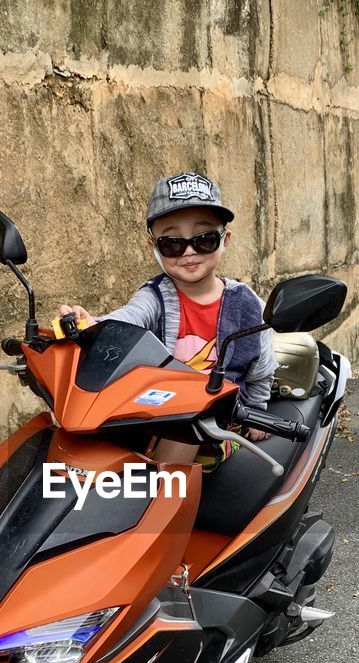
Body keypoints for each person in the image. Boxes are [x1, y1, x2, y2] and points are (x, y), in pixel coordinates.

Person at [59, 173, 276, 459]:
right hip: (156, 412)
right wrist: (91, 325)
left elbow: (262, 365)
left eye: (204, 239)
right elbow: (129, 317)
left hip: (218, 420)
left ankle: (163, 497)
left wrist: (257, 410)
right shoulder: (154, 296)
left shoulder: (246, 303)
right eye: (172, 243)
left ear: (225, 240)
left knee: (184, 439)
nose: (188, 252)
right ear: (154, 248)